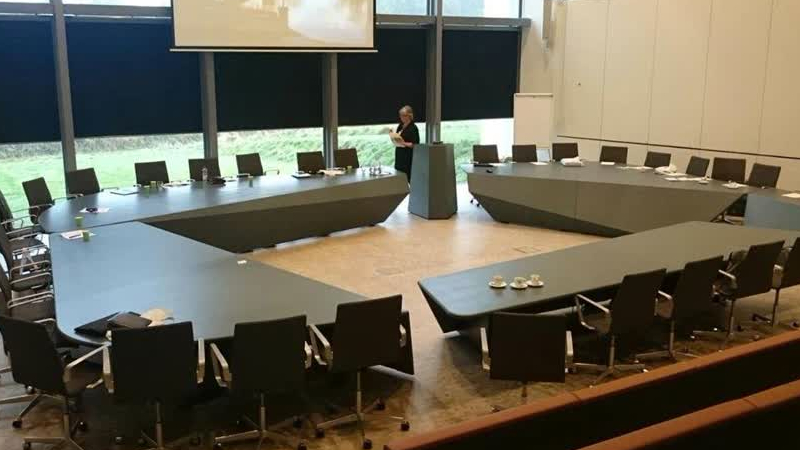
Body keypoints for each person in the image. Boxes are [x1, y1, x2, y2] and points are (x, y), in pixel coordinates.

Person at [393, 105, 420, 183]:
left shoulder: (413, 128)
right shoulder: (400, 126)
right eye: (400, 115)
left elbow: (415, 144)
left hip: (407, 156)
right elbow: (398, 137)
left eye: (404, 115)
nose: (401, 117)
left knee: (407, 177)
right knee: (399, 177)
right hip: (399, 155)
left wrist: (404, 143)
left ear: (409, 116)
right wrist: (393, 138)